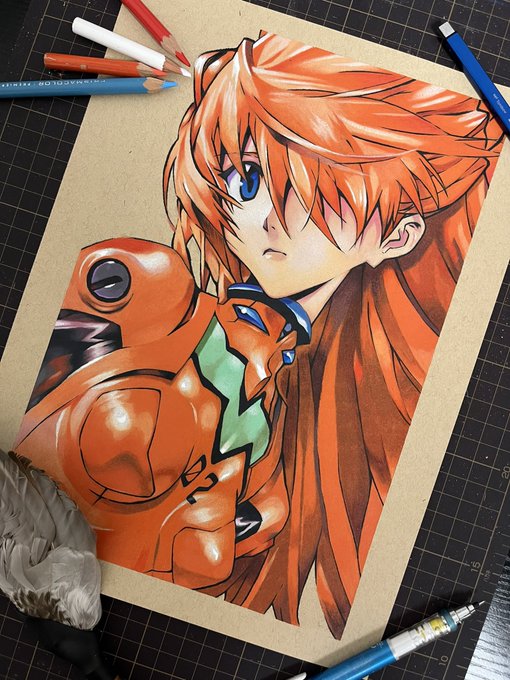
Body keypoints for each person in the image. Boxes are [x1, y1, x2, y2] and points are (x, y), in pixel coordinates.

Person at [164, 31, 503, 637]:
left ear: (395, 238)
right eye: (246, 179)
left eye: (310, 196)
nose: (261, 217)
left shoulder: (371, 378)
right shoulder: (193, 320)